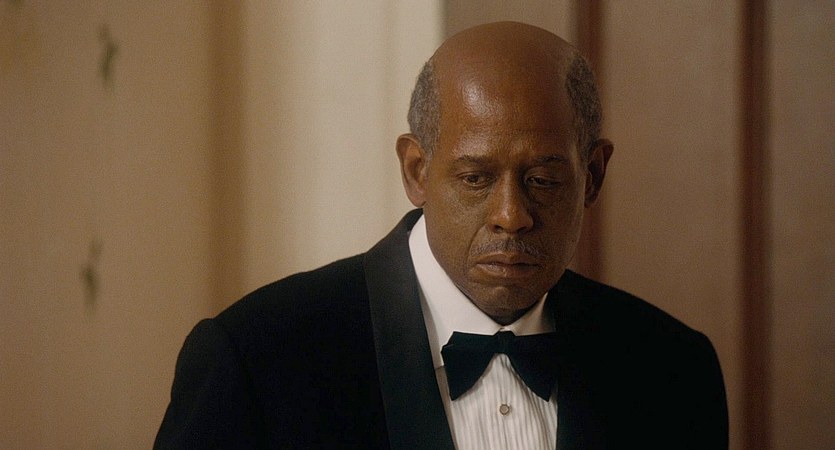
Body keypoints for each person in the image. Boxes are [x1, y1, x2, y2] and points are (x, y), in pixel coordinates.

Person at [155, 22, 728, 449]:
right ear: (416, 172)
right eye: (475, 178)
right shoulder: (255, 360)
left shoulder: (674, 369)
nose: (511, 216)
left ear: (594, 176)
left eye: (543, 180)